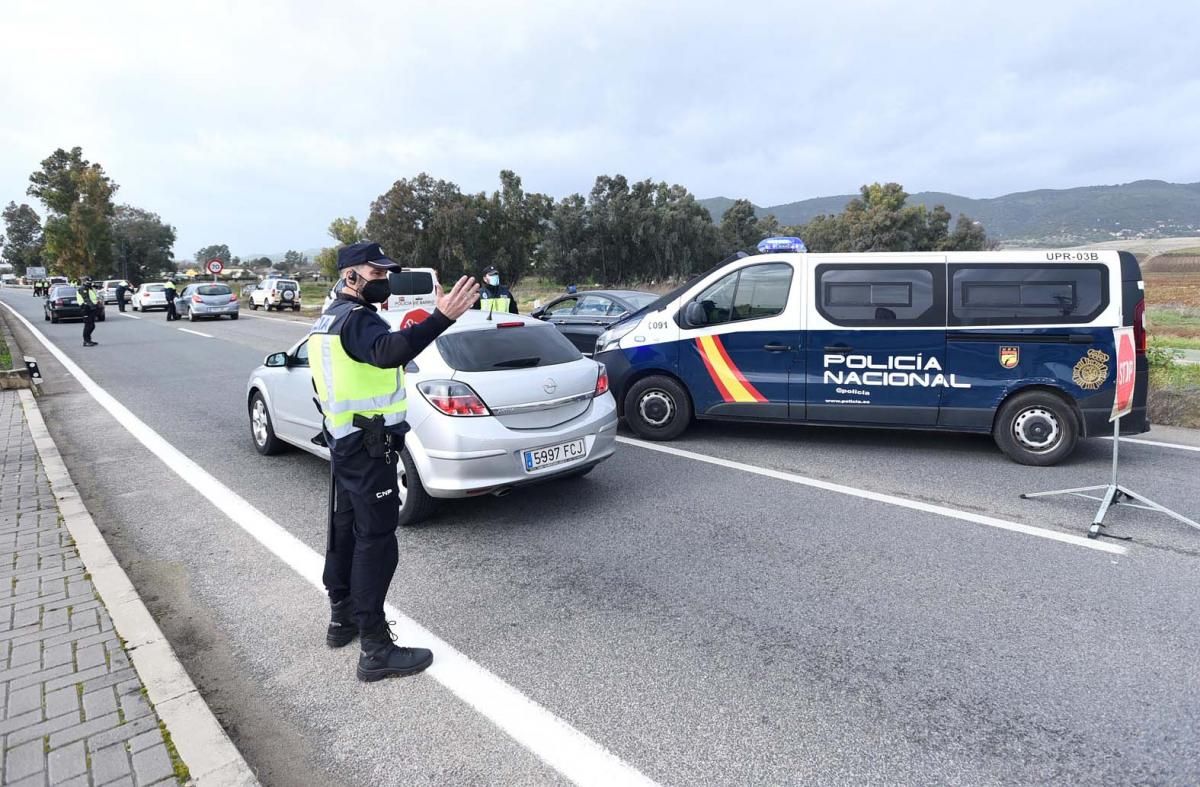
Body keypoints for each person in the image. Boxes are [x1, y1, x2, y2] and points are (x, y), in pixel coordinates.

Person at [308, 241, 478, 682]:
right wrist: (442, 317)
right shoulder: (356, 319)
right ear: (350, 277)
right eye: (376, 273)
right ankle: (376, 649)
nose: (384, 280)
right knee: (376, 542)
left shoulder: (330, 317)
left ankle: (341, 619)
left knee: (345, 531)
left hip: (346, 442)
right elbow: (389, 352)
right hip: (367, 449)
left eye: (386, 272)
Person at [76, 278, 101, 347]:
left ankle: (89, 340)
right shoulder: (82, 289)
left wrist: (96, 305)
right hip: (86, 308)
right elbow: (86, 299)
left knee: (92, 325)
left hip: (91, 308)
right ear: (84, 282)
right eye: (88, 281)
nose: (90, 283)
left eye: (90, 281)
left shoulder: (90, 288)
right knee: (88, 325)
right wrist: (93, 306)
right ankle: (86, 341)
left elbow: (95, 295)